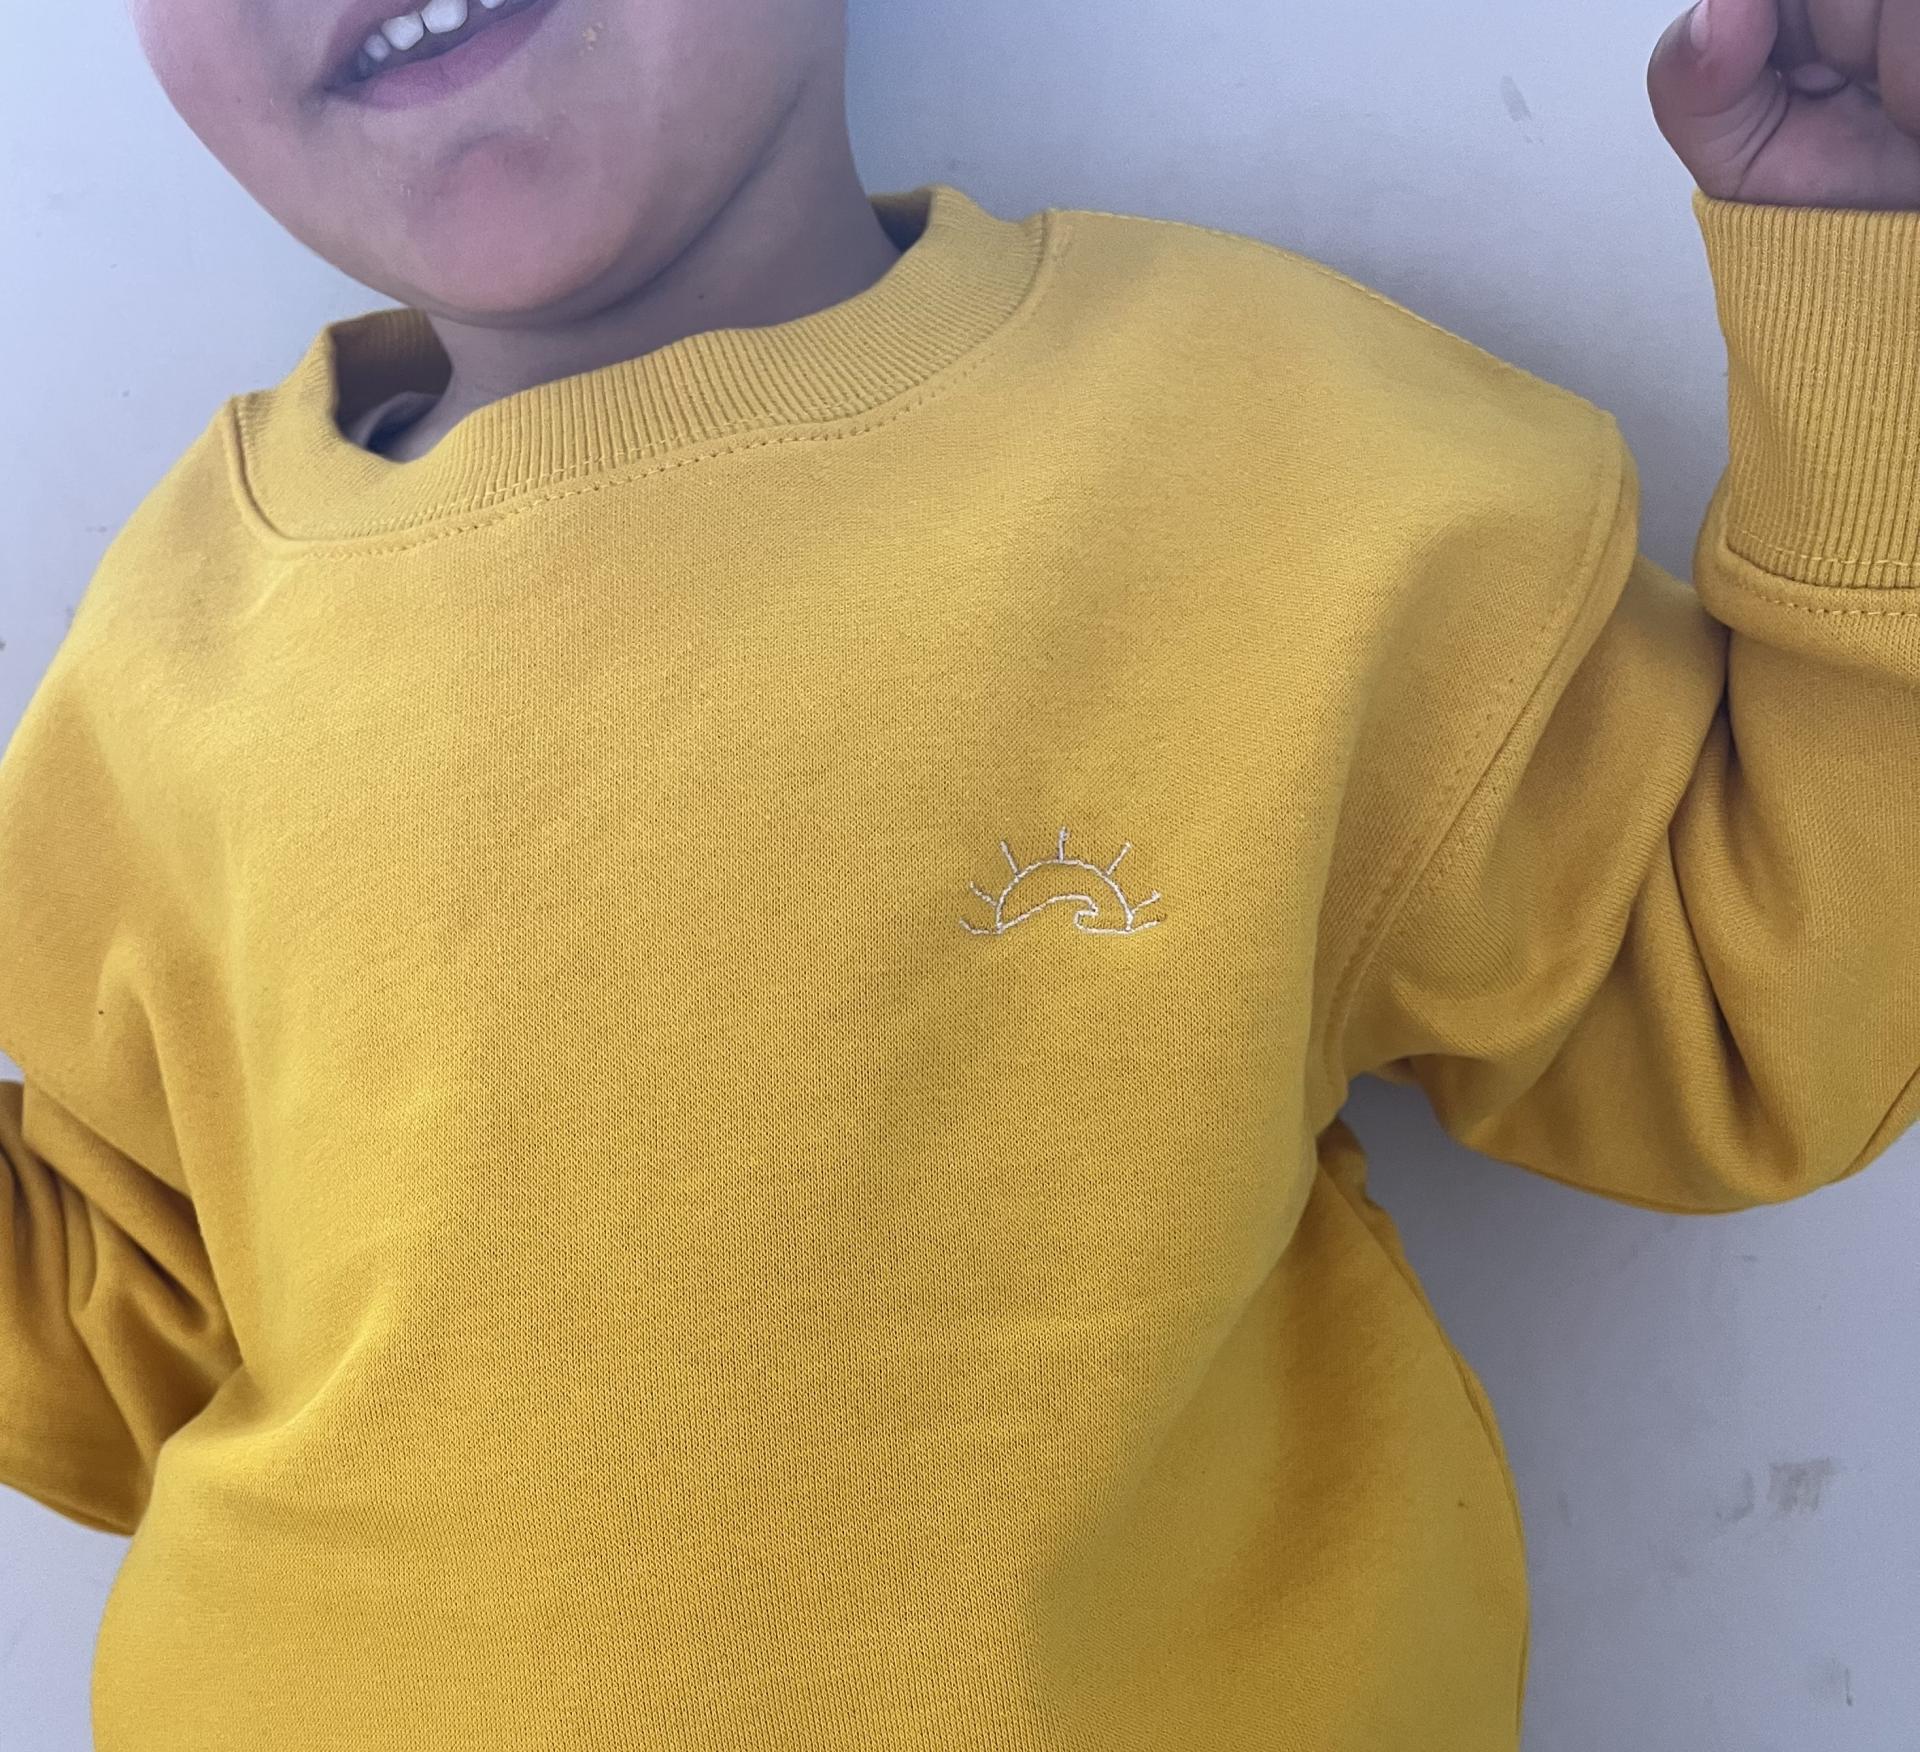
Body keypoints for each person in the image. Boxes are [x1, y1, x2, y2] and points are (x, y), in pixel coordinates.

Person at [2, 0, 1914, 1746]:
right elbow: (115, 1351)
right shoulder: (158, 656)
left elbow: (1761, 1023)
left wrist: (1871, 267)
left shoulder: (1278, 455)